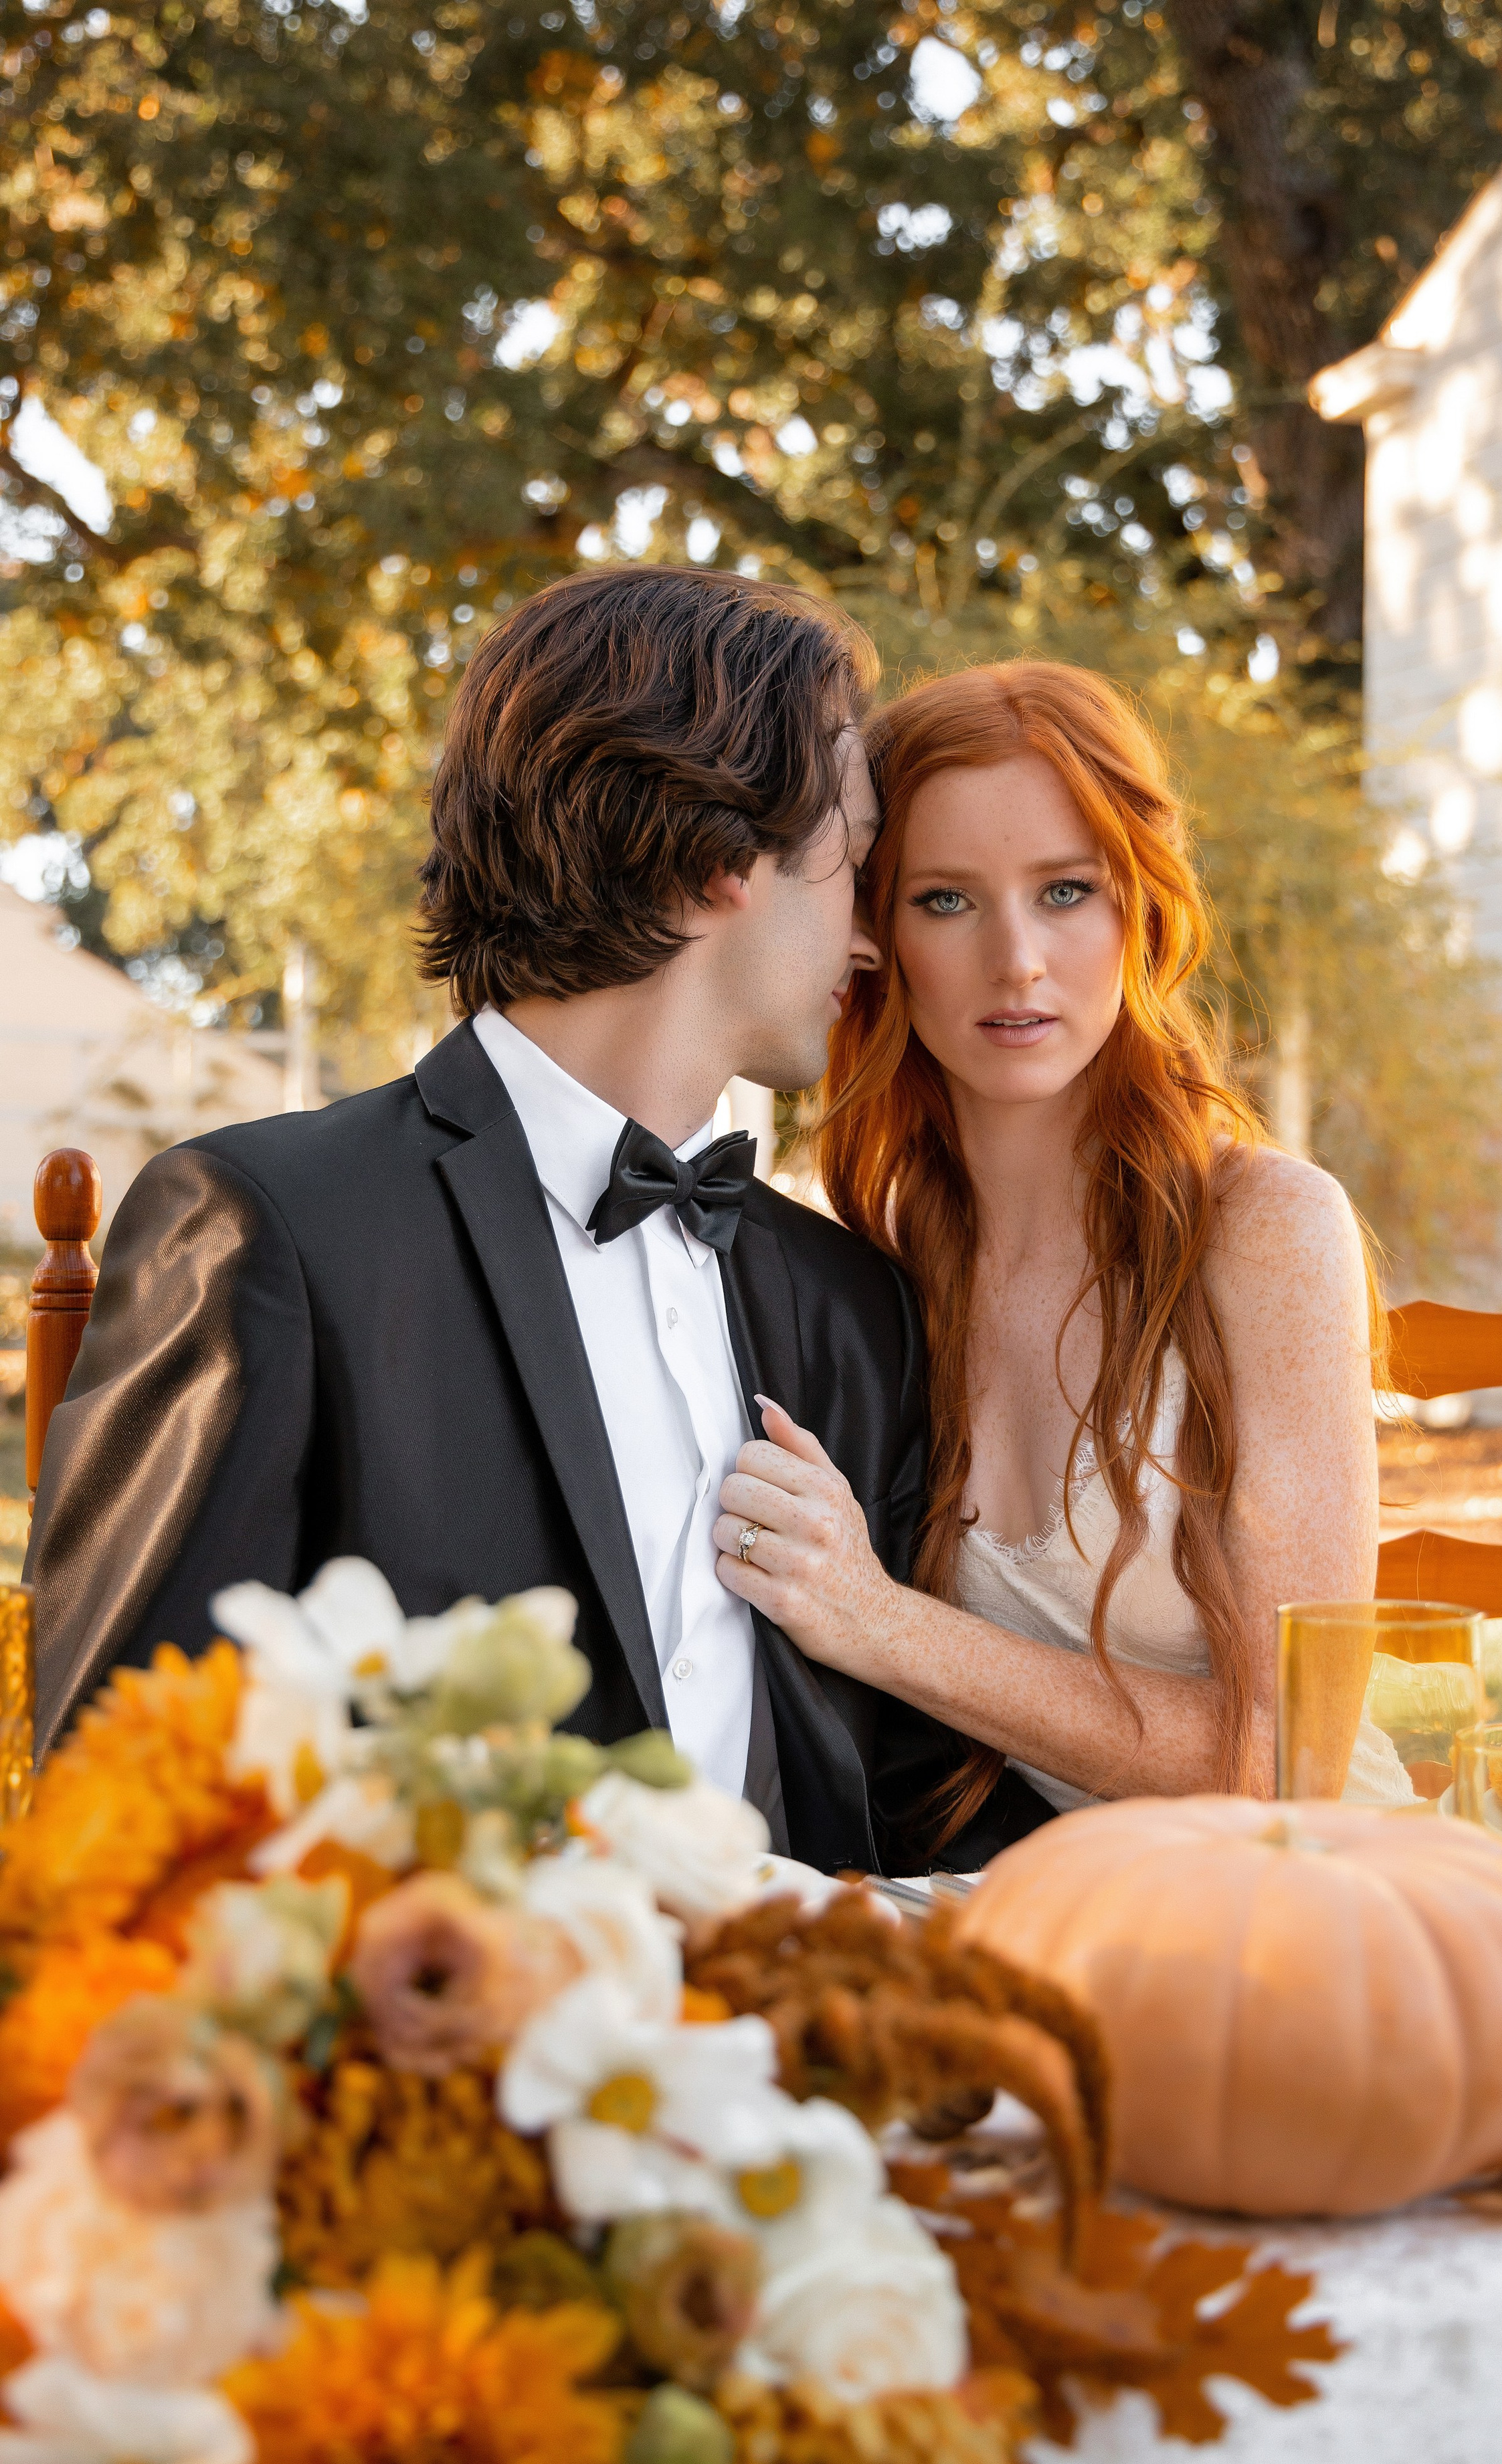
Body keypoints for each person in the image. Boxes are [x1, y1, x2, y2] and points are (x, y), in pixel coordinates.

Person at [25, 567, 1022, 1875]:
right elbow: (123, 1815)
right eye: (849, 859)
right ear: (722, 859)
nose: (874, 943)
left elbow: (901, 1800)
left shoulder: (846, 1302)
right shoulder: (272, 1233)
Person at [711, 660, 1404, 1844]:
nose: (1017, 958)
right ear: (870, 938)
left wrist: (875, 1619)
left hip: (1306, 1900)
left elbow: (1291, 1754)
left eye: (1067, 890)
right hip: (1030, 1890)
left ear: (1139, 907)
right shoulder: (874, 1258)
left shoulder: (1266, 1229)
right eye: (946, 900)